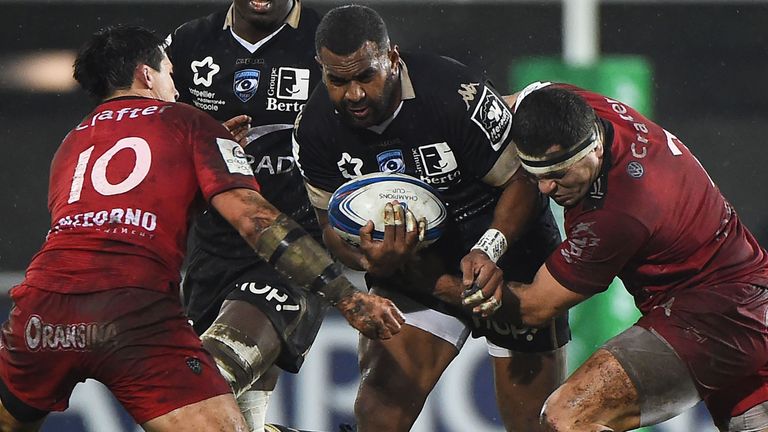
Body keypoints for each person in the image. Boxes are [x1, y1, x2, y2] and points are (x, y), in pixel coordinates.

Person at [0, 25, 404, 432]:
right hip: (132, 312)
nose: (175, 89)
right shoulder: (188, 122)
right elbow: (256, 220)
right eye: (171, 74)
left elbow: (117, 214)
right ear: (147, 75)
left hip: (41, 311)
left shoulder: (73, 142)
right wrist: (347, 297)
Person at [292, 5, 570, 431]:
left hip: (507, 252)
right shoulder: (313, 131)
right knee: (378, 414)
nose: (354, 94)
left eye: (366, 75)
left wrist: (489, 248)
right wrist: (368, 261)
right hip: (414, 265)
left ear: (393, 59)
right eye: (338, 80)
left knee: (533, 425)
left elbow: (521, 182)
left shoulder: (454, 92)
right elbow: (330, 229)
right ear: (321, 71)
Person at [462, 81, 768, 432]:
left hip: (712, 318)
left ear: (593, 149)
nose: (546, 188)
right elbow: (506, 106)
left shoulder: (618, 211)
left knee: (568, 417)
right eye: (537, 175)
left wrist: (430, 281)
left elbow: (534, 308)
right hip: (747, 302)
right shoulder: (577, 110)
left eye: (558, 173)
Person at [165, 1, 343, 430]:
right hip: (214, 246)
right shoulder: (187, 44)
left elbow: (374, 117)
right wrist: (206, 151)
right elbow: (156, 140)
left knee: (209, 380)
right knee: (232, 416)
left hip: (294, 244)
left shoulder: (330, 38)